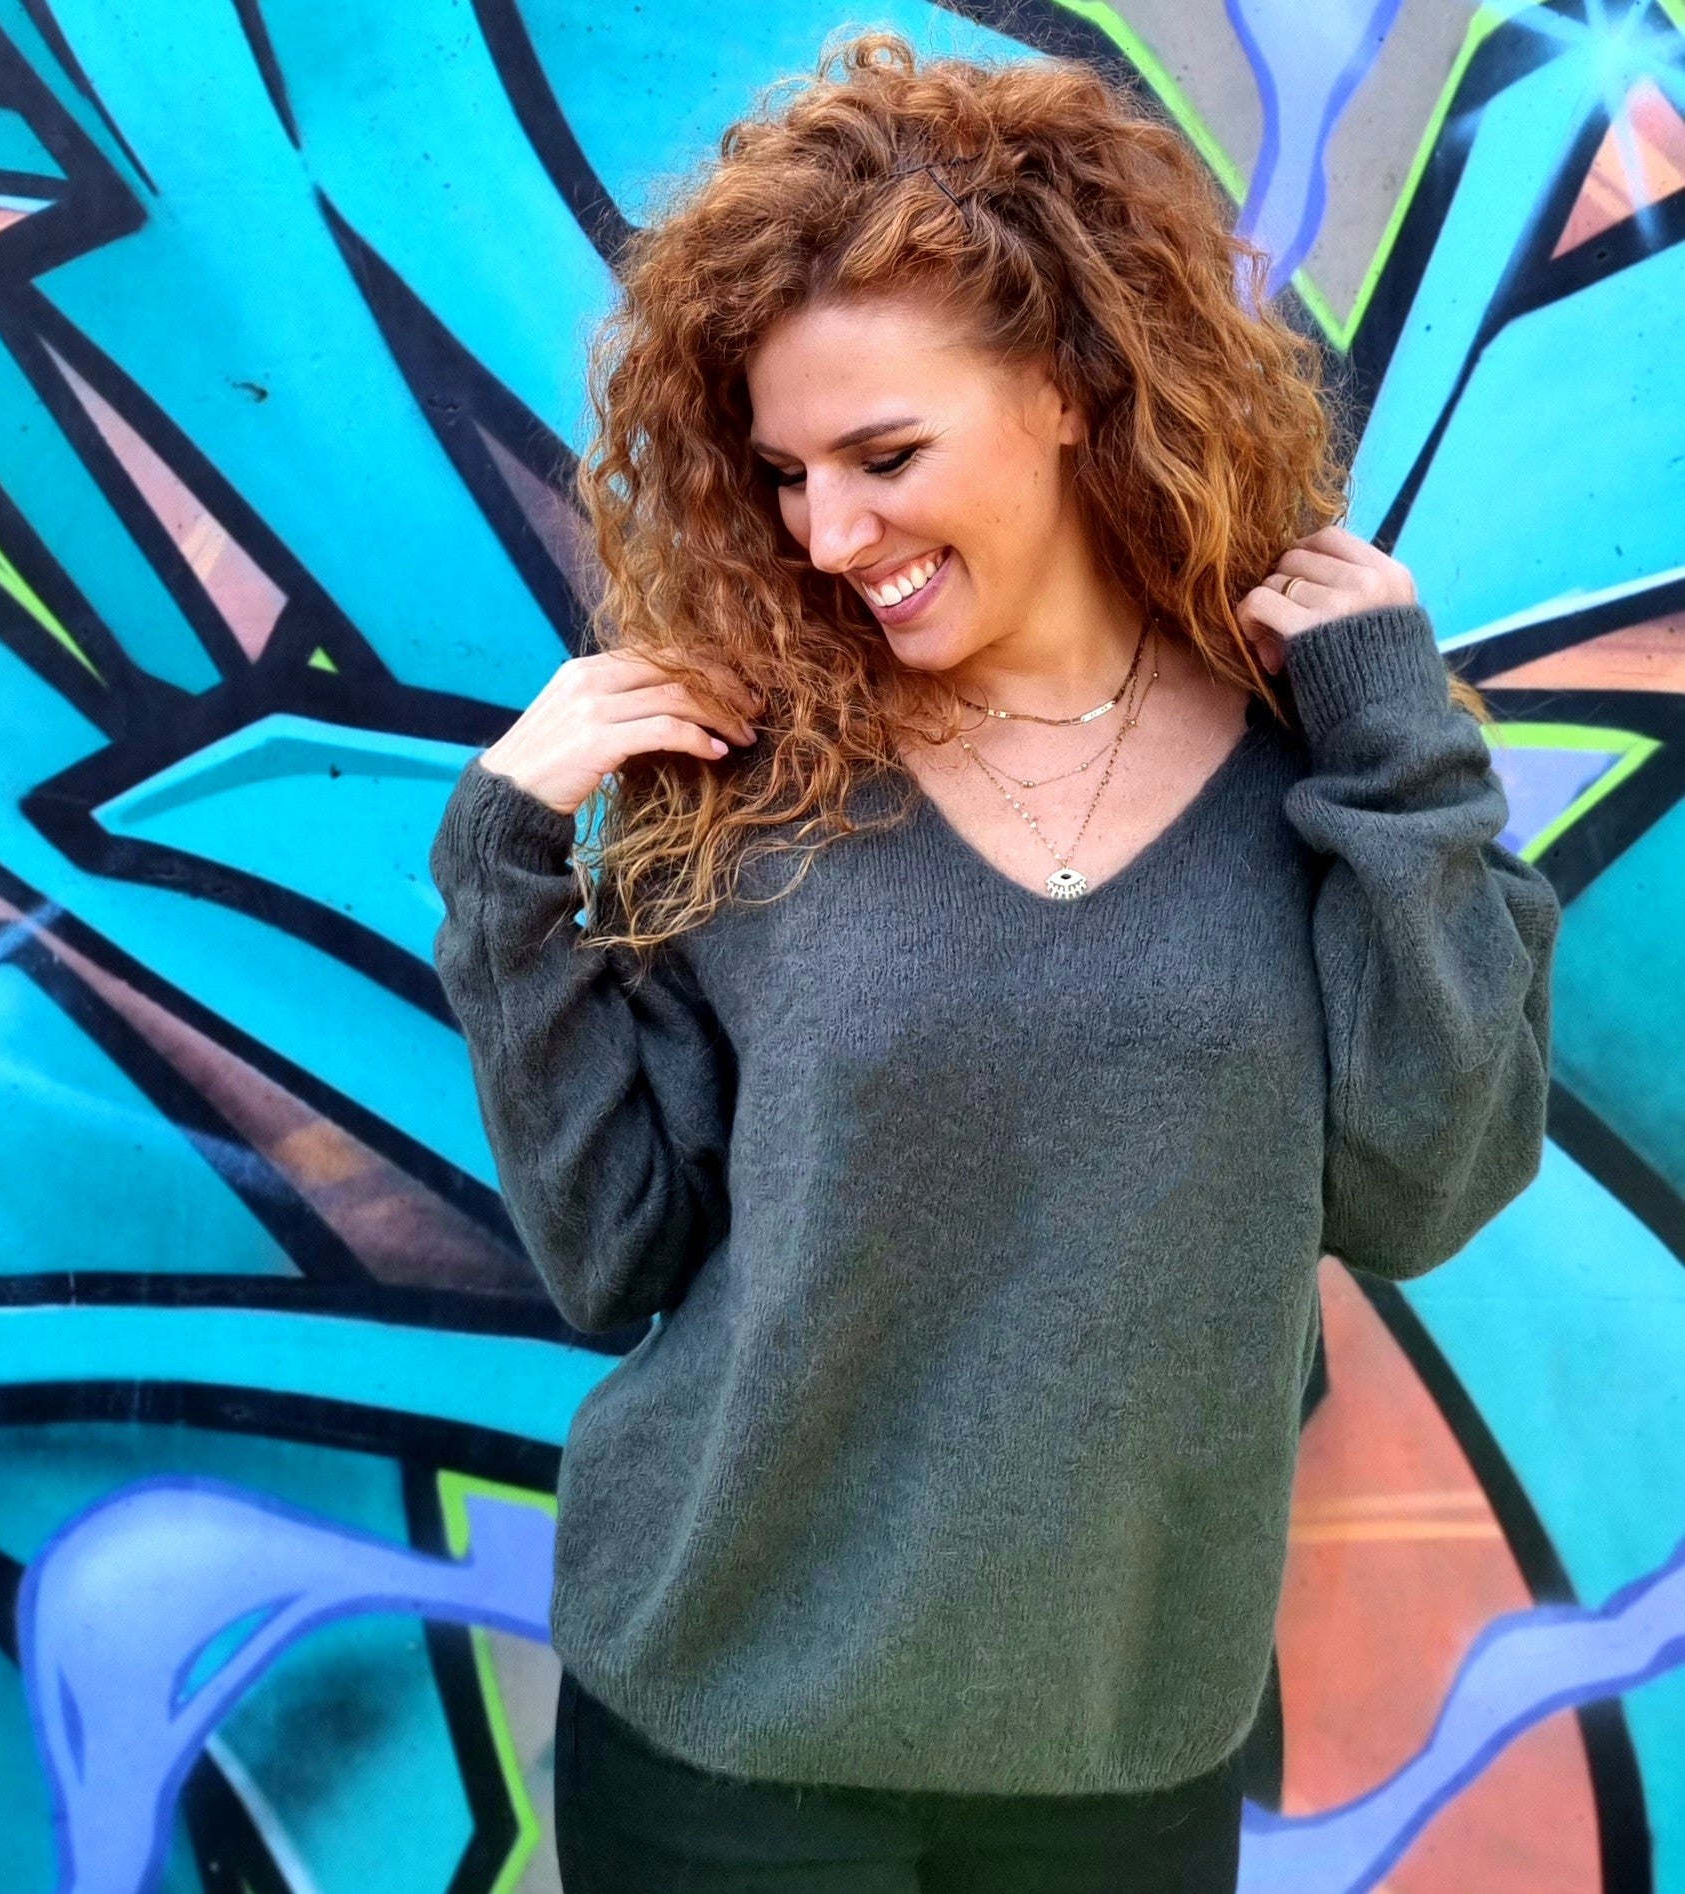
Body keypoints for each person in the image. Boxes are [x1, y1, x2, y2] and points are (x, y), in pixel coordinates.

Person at [429, 33, 1559, 1894]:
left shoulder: (1318, 765)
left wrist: (1402, 754)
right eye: (787, 474)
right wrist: (504, 876)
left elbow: (1421, 1189)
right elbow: (615, 1252)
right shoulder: (755, 777)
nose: (829, 535)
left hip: (1123, 1755)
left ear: (1065, 389)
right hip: (725, 1742)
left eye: (884, 456)